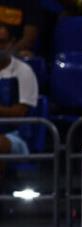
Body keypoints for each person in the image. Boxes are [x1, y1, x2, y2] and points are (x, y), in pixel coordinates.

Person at [0, 24, 37, 182]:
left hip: (17, 136)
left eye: (1, 42)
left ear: (11, 43)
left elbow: (20, 113)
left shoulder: (24, 71)